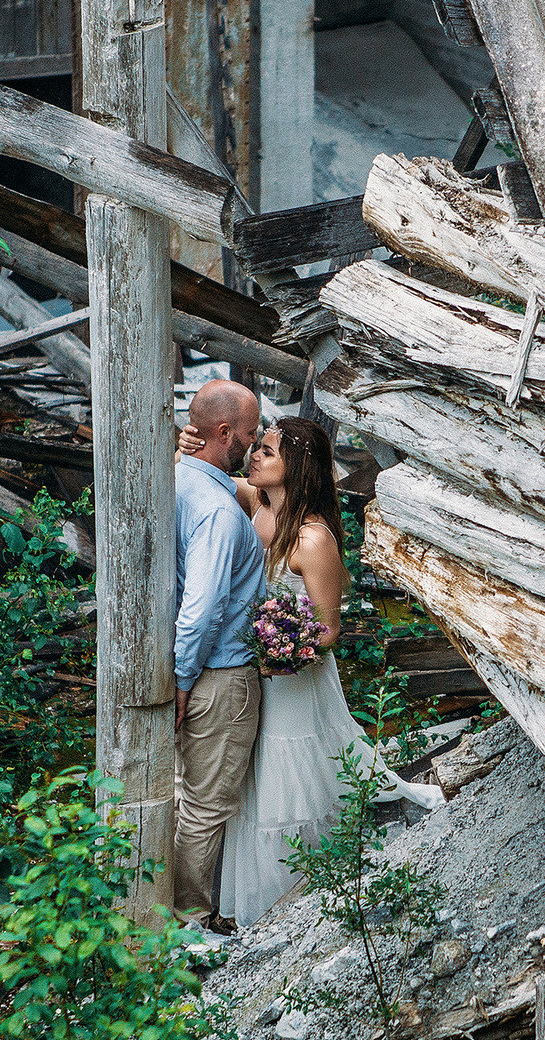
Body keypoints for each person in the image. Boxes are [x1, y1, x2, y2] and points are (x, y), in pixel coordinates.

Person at [177, 414, 444, 928]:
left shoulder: (314, 539)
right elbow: (203, 473)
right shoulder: (256, 505)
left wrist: (280, 653)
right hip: (256, 670)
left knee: (288, 778)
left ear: (295, 468)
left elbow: (327, 631)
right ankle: (249, 900)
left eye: (267, 452)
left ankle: (292, 899)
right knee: (253, 779)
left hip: (293, 677)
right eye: (256, 448)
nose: (254, 456)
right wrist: (189, 442)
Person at [170, 380, 267, 933]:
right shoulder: (218, 514)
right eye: (251, 436)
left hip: (200, 668)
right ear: (224, 433)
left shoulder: (181, 478)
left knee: (189, 794)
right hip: (221, 674)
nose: (253, 447)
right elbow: (202, 608)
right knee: (205, 808)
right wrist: (185, 679)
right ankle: (192, 923)